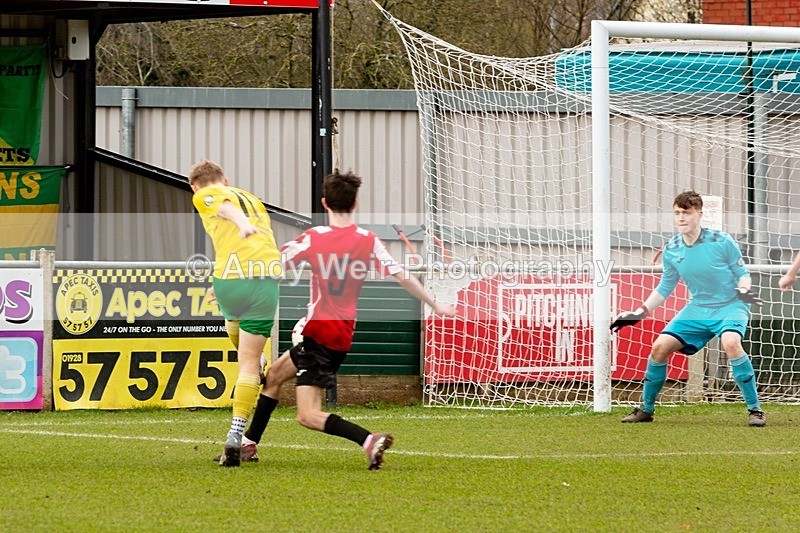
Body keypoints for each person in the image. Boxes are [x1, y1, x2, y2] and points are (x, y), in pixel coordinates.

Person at [235, 170, 456, 470]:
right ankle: (249, 443)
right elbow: (403, 276)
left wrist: (231, 286)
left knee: (307, 415)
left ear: (325, 203)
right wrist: (435, 305)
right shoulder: (368, 240)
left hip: (318, 333)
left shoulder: (313, 238)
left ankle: (368, 439)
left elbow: (270, 264)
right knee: (274, 376)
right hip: (341, 333)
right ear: (354, 204)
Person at [610, 190, 766, 427]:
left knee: (731, 343)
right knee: (659, 348)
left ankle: (755, 410)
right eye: (677, 213)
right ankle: (646, 409)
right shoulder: (672, 248)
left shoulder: (721, 241)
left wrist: (744, 290)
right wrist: (640, 312)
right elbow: (665, 287)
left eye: (687, 212)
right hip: (697, 309)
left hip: (730, 306)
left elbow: (742, 273)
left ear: (699, 214)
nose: (681, 218)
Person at [188, 159, 282, 467]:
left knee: (244, 356)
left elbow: (225, 206)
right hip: (265, 276)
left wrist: (241, 224)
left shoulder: (204, 194)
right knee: (250, 365)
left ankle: (257, 363)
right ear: (226, 178)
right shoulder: (252, 198)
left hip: (230, 278)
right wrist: (246, 224)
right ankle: (237, 433)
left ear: (195, 185)